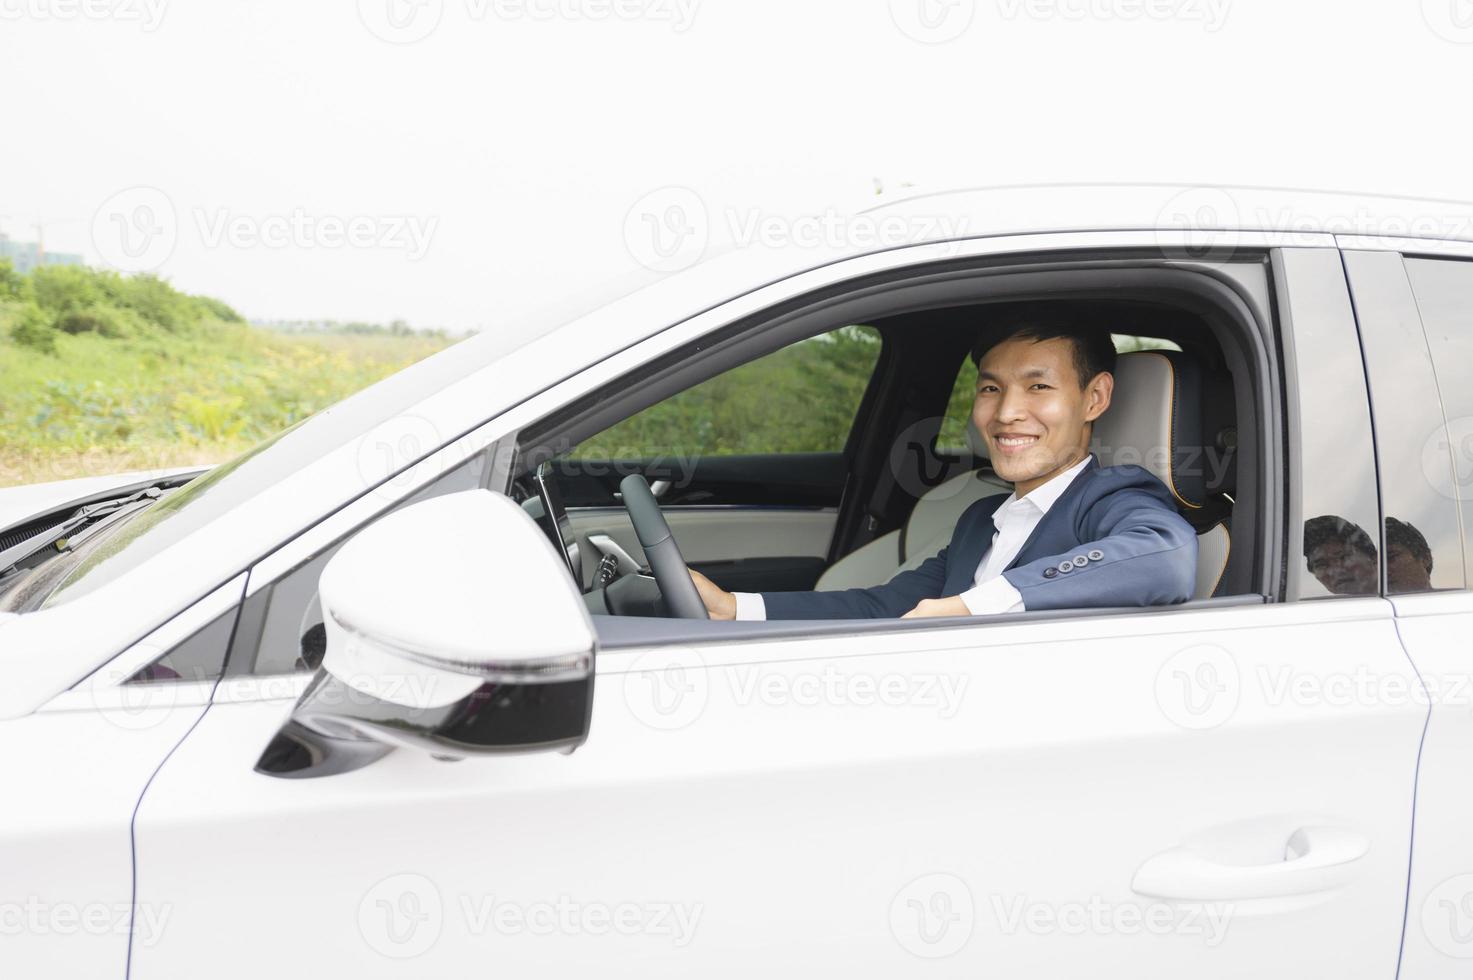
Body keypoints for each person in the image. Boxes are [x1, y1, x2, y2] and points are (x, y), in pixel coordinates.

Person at [689, 320, 1199, 620]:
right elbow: (882, 606)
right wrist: (736, 607)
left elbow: (1164, 557)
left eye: (1038, 387)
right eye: (991, 388)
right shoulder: (981, 520)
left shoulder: (1111, 497)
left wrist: (974, 606)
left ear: (1095, 398)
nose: (1005, 413)